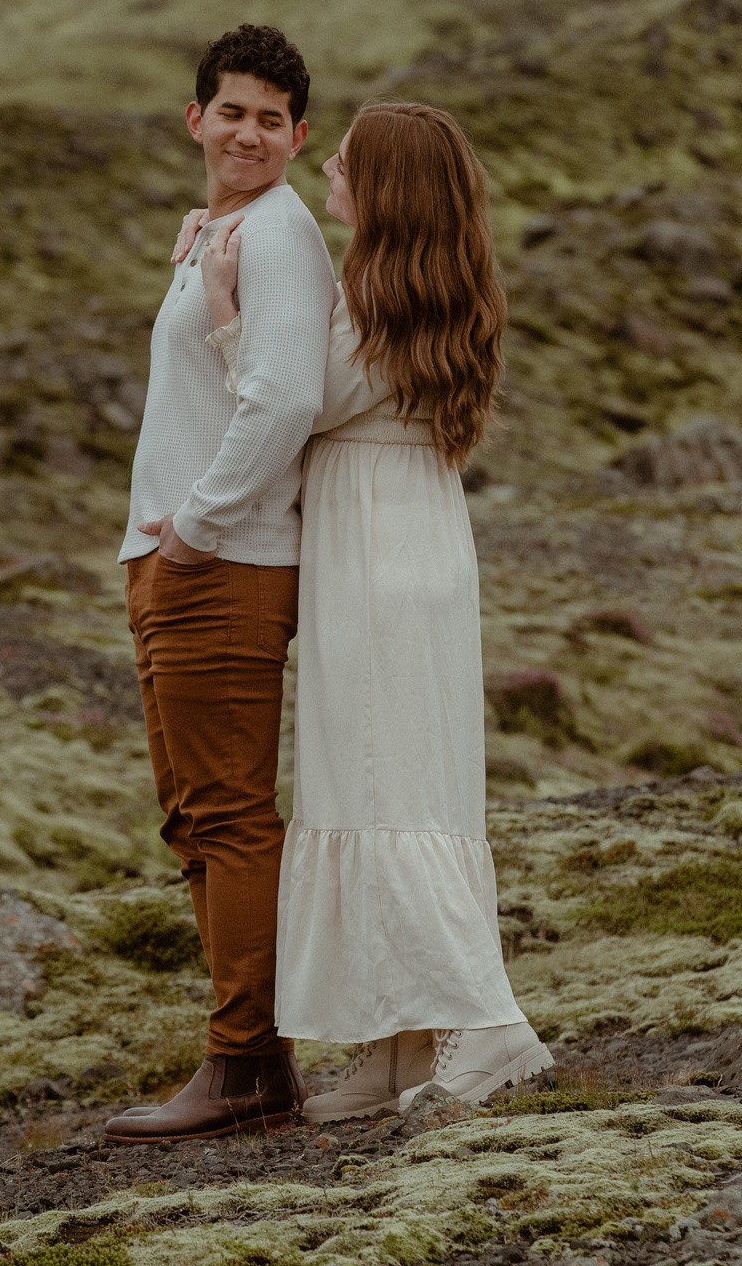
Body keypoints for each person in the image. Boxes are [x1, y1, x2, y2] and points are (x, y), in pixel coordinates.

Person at [195, 100, 552, 1120]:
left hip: (380, 550)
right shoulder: (427, 285)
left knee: (389, 787)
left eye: (345, 161)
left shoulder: (378, 292)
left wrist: (225, 311)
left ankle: (486, 1025)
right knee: (378, 781)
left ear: (387, 186)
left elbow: (292, 398)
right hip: (400, 539)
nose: (328, 173)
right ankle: (399, 1042)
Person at [103, 24, 332, 1144]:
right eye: (230, 111)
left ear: (299, 135)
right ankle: (253, 1059)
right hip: (179, 562)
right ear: (195, 119)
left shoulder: (280, 237)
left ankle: (245, 1064)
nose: (248, 131)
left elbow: (282, 401)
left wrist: (194, 531)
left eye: (271, 118)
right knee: (194, 819)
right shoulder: (226, 229)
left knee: (229, 817)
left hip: (221, 566)